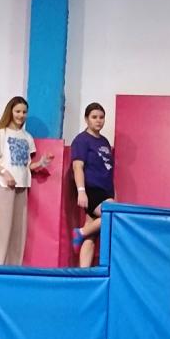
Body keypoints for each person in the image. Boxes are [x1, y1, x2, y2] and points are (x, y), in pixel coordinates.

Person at [0, 96, 54, 265]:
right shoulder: (1, 134)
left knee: (18, 229)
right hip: (5, 186)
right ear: (10, 111)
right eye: (17, 111)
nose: (21, 115)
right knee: (2, 227)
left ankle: (13, 265)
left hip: (22, 186)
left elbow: (27, 165)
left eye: (24, 112)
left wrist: (42, 162)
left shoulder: (27, 137)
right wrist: (4, 173)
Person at [71, 102, 115, 267]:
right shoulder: (82, 140)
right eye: (94, 117)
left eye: (101, 117)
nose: (98, 120)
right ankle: (79, 232)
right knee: (112, 214)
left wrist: (113, 193)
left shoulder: (104, 141)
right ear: (86, 119)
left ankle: (84, 271)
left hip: (105, 190)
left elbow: (108, 170)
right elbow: (77, 166)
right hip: (91, 188)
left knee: (92, 231)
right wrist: (81, 191)